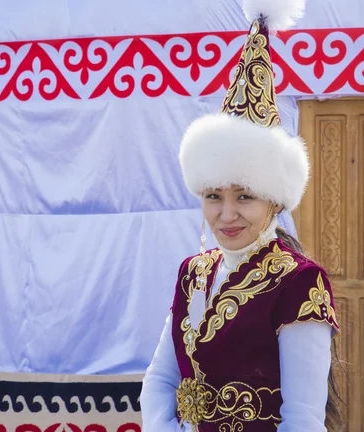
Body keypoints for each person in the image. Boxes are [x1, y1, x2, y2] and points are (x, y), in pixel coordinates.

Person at [140, 0, 342, 430]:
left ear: (274, 200)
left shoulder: (300, 283)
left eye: (245, 196)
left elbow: (303, 420)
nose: (226, 214)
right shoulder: (192, 274)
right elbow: (160, 380)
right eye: (214, 195)